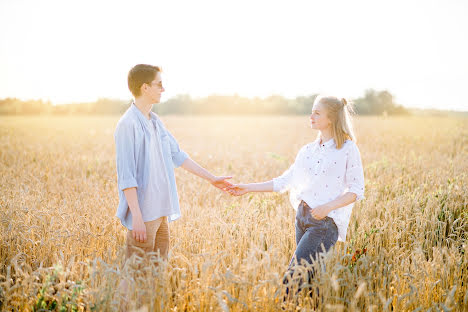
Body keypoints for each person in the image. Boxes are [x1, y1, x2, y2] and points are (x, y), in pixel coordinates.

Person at [228, 95, 365, 301]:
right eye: (312, 111)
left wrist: (327, 208)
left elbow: (356, 190)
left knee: (293, 278)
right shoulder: (307, 151)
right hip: (302, 218)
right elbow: (284, 181)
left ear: (331, 118)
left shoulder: (347, 149)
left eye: (317, 113)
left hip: (323, 224)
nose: (311, 116)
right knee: (310, 279)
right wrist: (247, 188)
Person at [114, 64, 232, 302]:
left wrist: (212, 179)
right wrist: (136, 216)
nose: (163, 89)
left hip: (161, 213)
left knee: (154, 275)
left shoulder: (155, 121)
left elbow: (179, 155)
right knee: (132, 273)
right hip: (144, 215)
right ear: (145, 87)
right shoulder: (128, 125)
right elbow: (126, 177)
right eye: (159, 84)